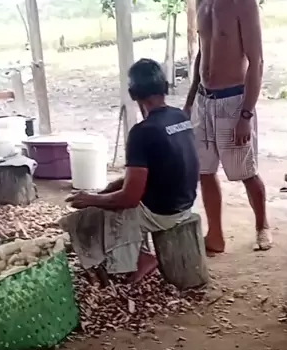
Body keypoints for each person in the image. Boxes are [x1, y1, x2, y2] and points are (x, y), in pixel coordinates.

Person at [178, 0, 272, 255]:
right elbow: (202, 52)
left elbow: (256, 61)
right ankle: (215, 235)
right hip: (205, 100)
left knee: (245, 171)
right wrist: (190, 100)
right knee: (204, 170)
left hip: (234, 100)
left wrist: (246, 114)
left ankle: (262, 225)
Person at [66, 59, 199, 281]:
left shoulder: (142, 132)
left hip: (163, 213)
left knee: (88, 217)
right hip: (185, 203)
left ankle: (135, 260)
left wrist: (91, 199)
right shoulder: (179, 116)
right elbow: (161, 168)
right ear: (164, 87)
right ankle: (137, 252)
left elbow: (129, 198)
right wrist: (112, 188)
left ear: (132, 93)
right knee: (110, 197)